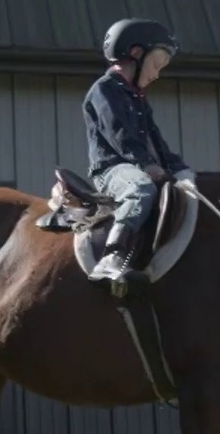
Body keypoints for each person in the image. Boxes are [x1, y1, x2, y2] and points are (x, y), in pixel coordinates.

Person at [82, 17, 194, 284]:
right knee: (141, 189)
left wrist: (182, 170)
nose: (157, 74)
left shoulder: (138, 99)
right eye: (156, 65)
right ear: (135, 53)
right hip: (112, 169)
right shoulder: (104, 90)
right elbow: (119, 133)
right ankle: (112, 256)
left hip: (139, 166)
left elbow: (156, 140)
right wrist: (147, 165)